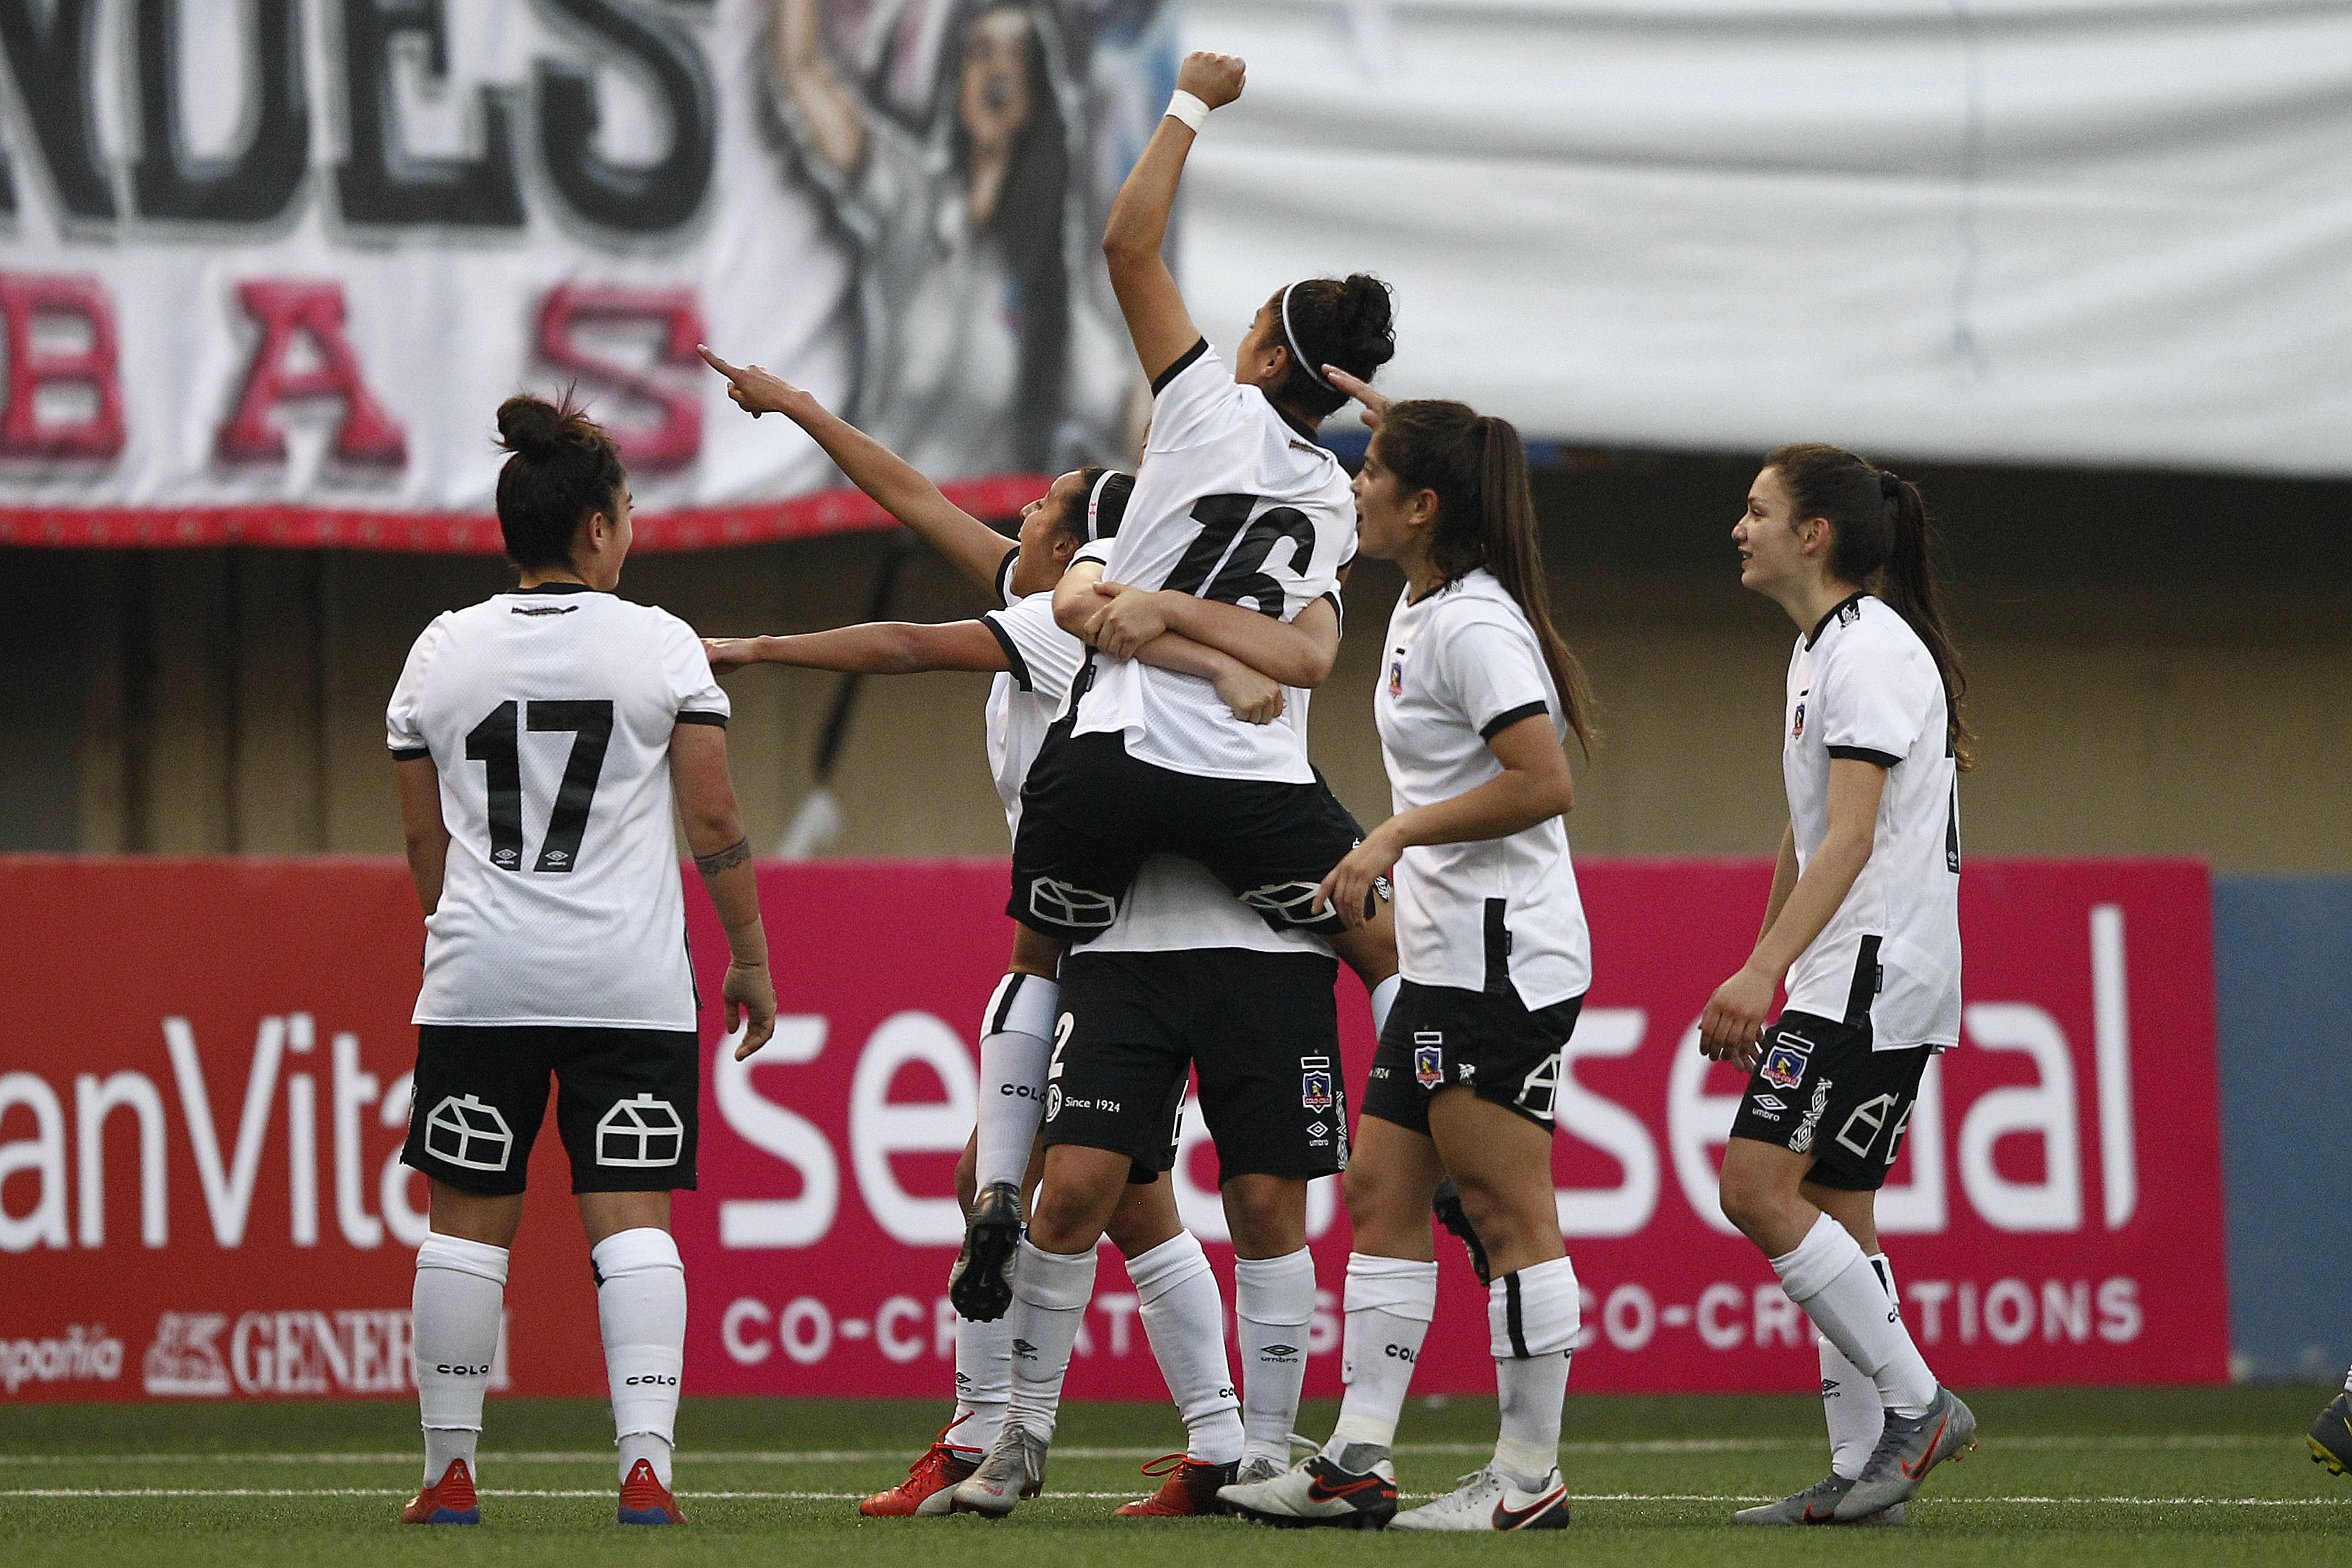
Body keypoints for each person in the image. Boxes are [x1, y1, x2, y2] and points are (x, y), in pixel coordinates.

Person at [697, 347, 1400, 1514]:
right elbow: (914, 496)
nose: (1014, 517)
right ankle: (1197, 1443)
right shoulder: (1049, 601)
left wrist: (760, 651)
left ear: (1083, 545)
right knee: (1110, 1197)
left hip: (1136, 928)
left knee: (1019, 1178)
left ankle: (995, 1439)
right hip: (1115, 930)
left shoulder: (1065, 622)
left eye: (1038, 509)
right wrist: (802, 407)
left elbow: (908, 644)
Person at [951, 48, 1403, 1517]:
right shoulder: (1335, 491)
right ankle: (1447, 1116)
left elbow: (1125, 241)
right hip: (1245, 797)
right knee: (1380, 930)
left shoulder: (1201, 407)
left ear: (1264, 350)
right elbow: (1307, 653)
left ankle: (995, 1209)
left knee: (1033, 956)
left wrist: (1192, 100)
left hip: (1121, 766)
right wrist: (1225, 647)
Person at [384, 395, 777, 1528]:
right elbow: (714, 820)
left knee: (464, 1222)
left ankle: (448, 1472)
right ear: (598, 529)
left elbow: (424, 842)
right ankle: (644, 1467)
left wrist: (460, 935)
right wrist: (748, 956)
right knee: (632, 1217)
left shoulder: (440, 650)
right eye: (631, 510)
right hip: (630, 990)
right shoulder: (658, 643)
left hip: (480, 983)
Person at [1215, 390, 1595, 1532]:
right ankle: (1357, 1464)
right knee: (1383, 1194)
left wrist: (1389, 835)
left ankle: (1528, 1479)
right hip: (1441, 959)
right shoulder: (1433, 604)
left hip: (1498, 960)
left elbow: (1544, 780)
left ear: (1425, 506)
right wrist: (1402, 413)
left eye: (1374, 470)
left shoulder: (1475, 624)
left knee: (1504, 1208)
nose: (1355, 482)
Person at [1699, 443, 1978, 1525]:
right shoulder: (1826, 649)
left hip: (1869, 968)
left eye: (1757, 509)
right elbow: (1809, 824)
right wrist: (1771, 952)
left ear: (1815, 535)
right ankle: (1872, 1469)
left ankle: (1919, 1408)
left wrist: (1767, 967)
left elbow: (1852, 838)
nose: (1741, 526)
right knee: (1833, 1209)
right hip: (1865, 964)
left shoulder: (1866, 653)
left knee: (1756, 1189)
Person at [767, 0, 1119, 475]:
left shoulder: (1046, 296)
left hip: (973, 541)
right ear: (957, 84)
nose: (999, 68)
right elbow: (804, 75)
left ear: (1036, 94)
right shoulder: (910, 204)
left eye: (1018, 55)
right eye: (981, 51)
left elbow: (1132, 407)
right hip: (867, 527)